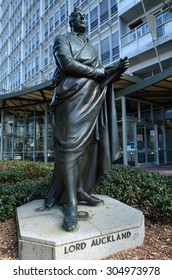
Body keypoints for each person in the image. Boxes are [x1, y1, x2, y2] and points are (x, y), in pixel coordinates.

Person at [44, 7, 128, 232]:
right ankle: (70, 205)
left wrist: (113, 70)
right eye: (79, 16)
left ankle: (81, 190)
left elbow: (99, 72)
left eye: (85, 16)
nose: (84, 19)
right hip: (71, 99)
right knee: (70, 149)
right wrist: (99, 72)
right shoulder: (62, 39)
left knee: (88, 148)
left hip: (92, 98)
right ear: (71, 21)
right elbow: (67, 64)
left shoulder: (91, 47)